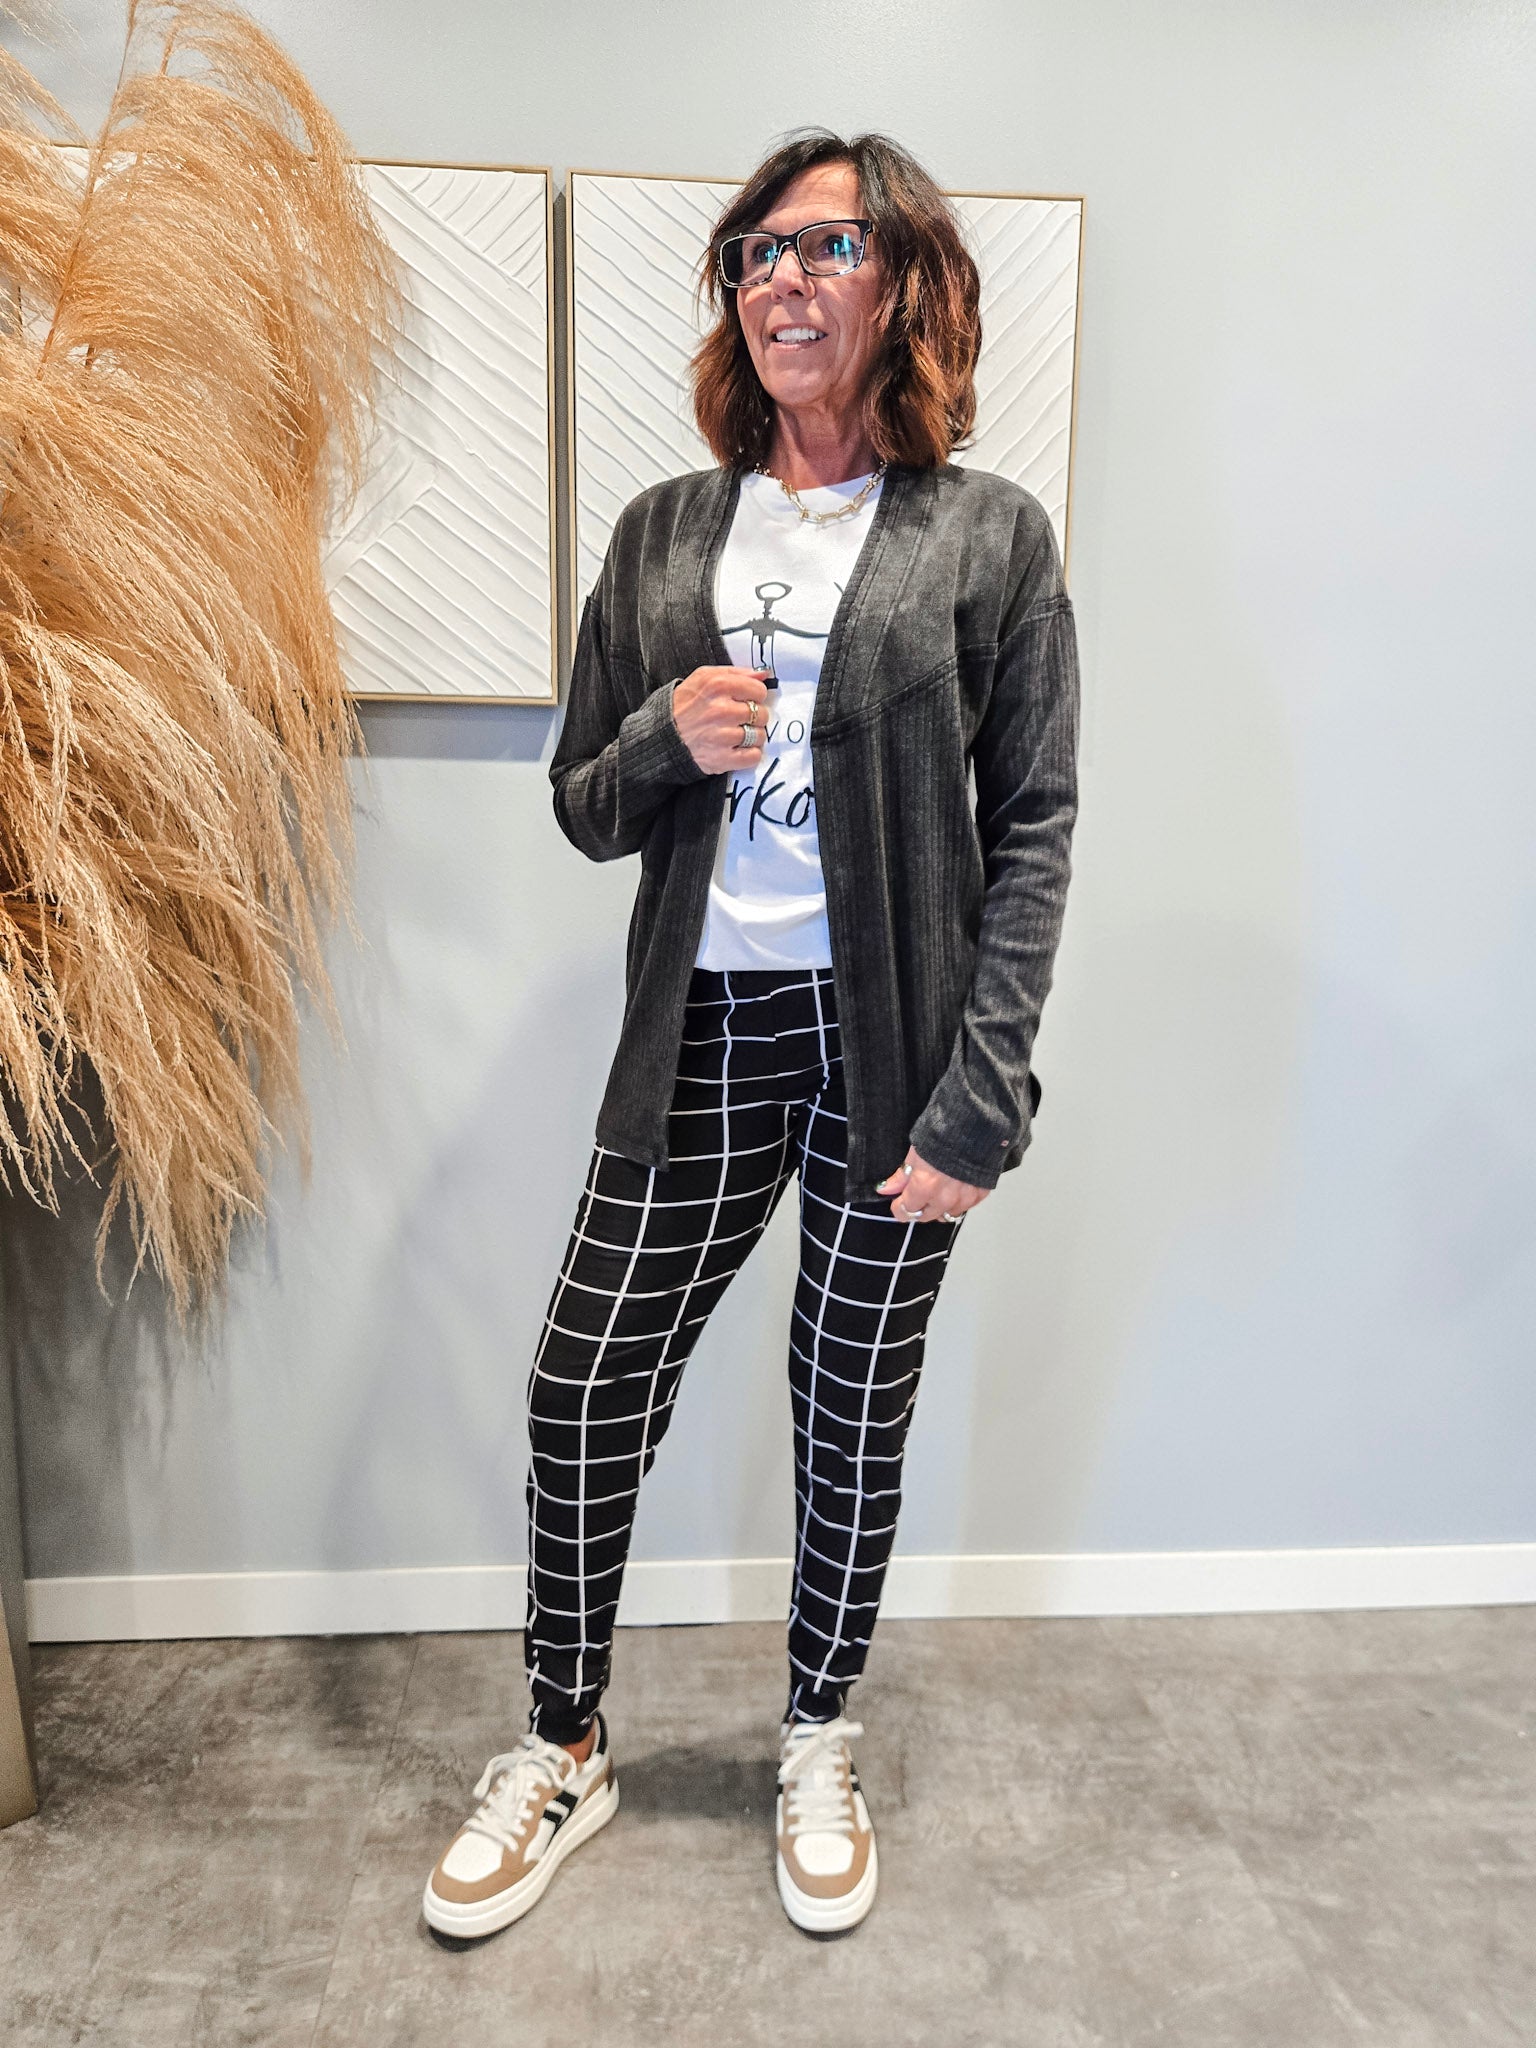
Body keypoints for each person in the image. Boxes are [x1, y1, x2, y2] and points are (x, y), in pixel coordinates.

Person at [423, 127, 1081, 1941]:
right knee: (586, 1381)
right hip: (703, 1025)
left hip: (897, 1047)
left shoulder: (989, 537)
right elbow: (583, 798)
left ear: (905, 283)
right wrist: (668, 740)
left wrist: (984, 1095)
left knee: (848, 1402)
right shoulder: (665, 529)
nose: (782, 277)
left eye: (826, 245)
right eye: (755, 253)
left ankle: (817, 1734)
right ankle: (563, 1742)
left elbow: (1034, 826)